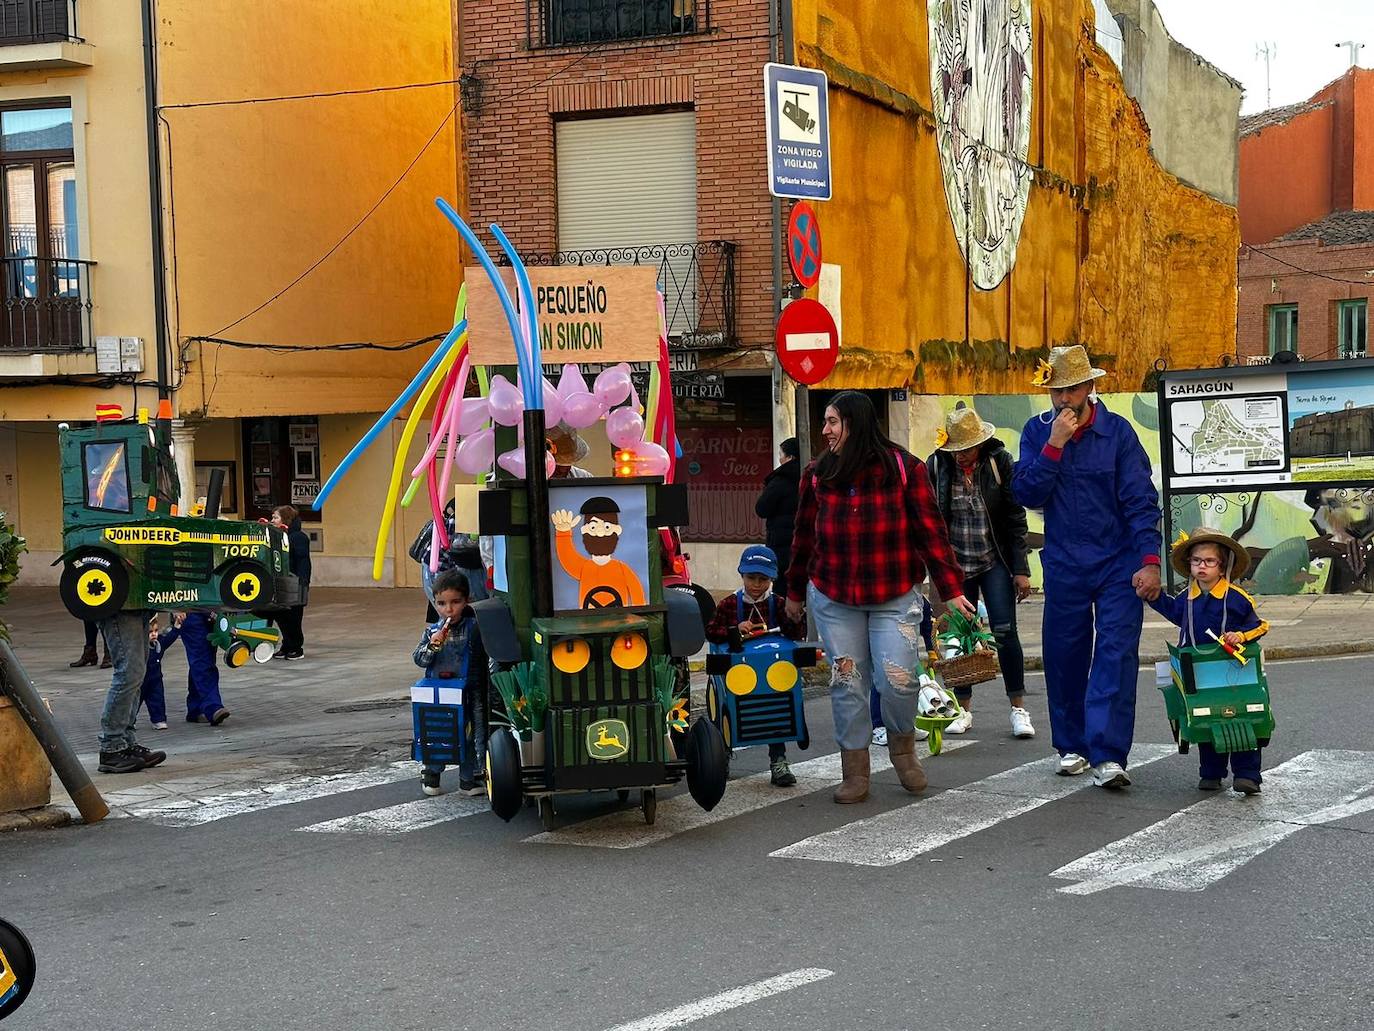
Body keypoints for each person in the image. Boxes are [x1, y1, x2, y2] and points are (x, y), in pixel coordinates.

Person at [785, 391, 976, 804]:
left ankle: (904, 750)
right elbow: (802, 537)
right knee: (848, 683)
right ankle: (854, 771)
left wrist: (952, 588)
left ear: (855, 423)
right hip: (835, 598)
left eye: (833, 422)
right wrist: (794, 592)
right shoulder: (818, 473)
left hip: (894, 594)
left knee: (898, 682)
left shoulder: (905, 470)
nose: (825, 430)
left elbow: (931, 532)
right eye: (824, 422)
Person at [1013, 345, 1162, 790]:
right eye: (1056, 390)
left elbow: (1140, 501)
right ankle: (1072, 746)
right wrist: (1055, 445)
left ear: (1090, 388)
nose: (1063, 400)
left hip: (1119, 563)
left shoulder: (1118, 434)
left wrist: (1150, 562)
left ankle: (1109, 753)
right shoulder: (1036, 432)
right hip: (1064, 563)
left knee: (1116, 654)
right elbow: (1027, 493)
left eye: (1072, 389)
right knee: (1064, 655)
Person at [927, 404, 1036, 740]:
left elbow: (1015, 518)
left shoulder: (999, 462)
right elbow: (930, 520)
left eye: (967, 449)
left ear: (980, 444)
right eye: (956, 450)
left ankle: (1018, 708)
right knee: (958, 639)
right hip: (956, 567)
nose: (961, 456)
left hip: (995, 562)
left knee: (1004, 632)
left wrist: (1021, 569)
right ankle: (963, 709)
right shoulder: (937, 466)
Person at [1148, 528, 1269, 794]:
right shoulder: (1185, 599)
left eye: (1209, 561)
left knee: (1242, 720)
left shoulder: (1237, 598)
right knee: (1207, 720)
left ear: (1221, 565)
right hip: (1199, 674)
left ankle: (1247, 774)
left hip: (1233, 669)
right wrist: (1154, 596)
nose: (1202, 566)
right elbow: (1172, 612)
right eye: (1196, 561)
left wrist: (1240, 635)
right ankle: (1211, 773)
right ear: (1189, 565)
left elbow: (1260, 626)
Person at [705, 545, 803, 787]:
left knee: (776, 712)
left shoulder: (779, 604)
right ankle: (723, 758)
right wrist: (733, 630)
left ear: (771, 579)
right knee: (729, 713)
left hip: (772, 673)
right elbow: (711, 632)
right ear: (742, 575)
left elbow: (795, 634)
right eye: (751, 578)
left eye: (763, 579)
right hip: (738, 674)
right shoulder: (728, 604)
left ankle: (778, 762)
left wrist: (795, 618)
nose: (757, 585)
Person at [413, 569, 488, 796]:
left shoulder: (474, 627)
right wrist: (432, 646)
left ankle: (468, 778)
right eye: (442, 603)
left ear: (467, 600)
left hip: (468, 689)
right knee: (437, 732)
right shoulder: (432, 631)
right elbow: (419, 659)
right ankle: (432, 774)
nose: (449, 609)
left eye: (455, 602)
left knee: (468, 733)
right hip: (439, 691)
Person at [94, 609, 167, 774]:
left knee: (137, 673)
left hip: (137, 608)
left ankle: (126, 743)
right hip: (121, 608)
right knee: (129, 673)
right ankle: (111, 747)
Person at [755, 437, 801, 584]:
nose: (779, 459)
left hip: (781, 543)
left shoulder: (781, 480)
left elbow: (762, 508)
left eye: (781, 455)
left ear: (790, 457)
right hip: (806, 542)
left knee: (782, 585)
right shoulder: (812, 476)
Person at [270, 505, 311, 660]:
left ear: (285, 519)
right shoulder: (278, 536)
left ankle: (296, 647)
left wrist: (303, 582)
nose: (272, 520)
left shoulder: (298, 537)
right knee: (280, 615)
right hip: (280, 581)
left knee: (293, 616)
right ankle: (286, 645)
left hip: (295, 581)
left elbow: (303, 561)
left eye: (275, 517)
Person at [180, 612, 230, 726]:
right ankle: (213, 707)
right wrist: (176, 608)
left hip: (211, 612)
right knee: (202, 662)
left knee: (202, 661)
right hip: (190, 608)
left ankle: (196, 708)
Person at [138, 614, 184, 730]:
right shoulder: (139, 647)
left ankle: (159, 719)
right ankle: (129, 721)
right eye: (150, 632)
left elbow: (169, 639)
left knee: (157, 699)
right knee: (134, 701)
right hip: (140, 680)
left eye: (156, 631)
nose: (154, 634)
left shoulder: (159, 643)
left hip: (156, 679)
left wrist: (176, 627)